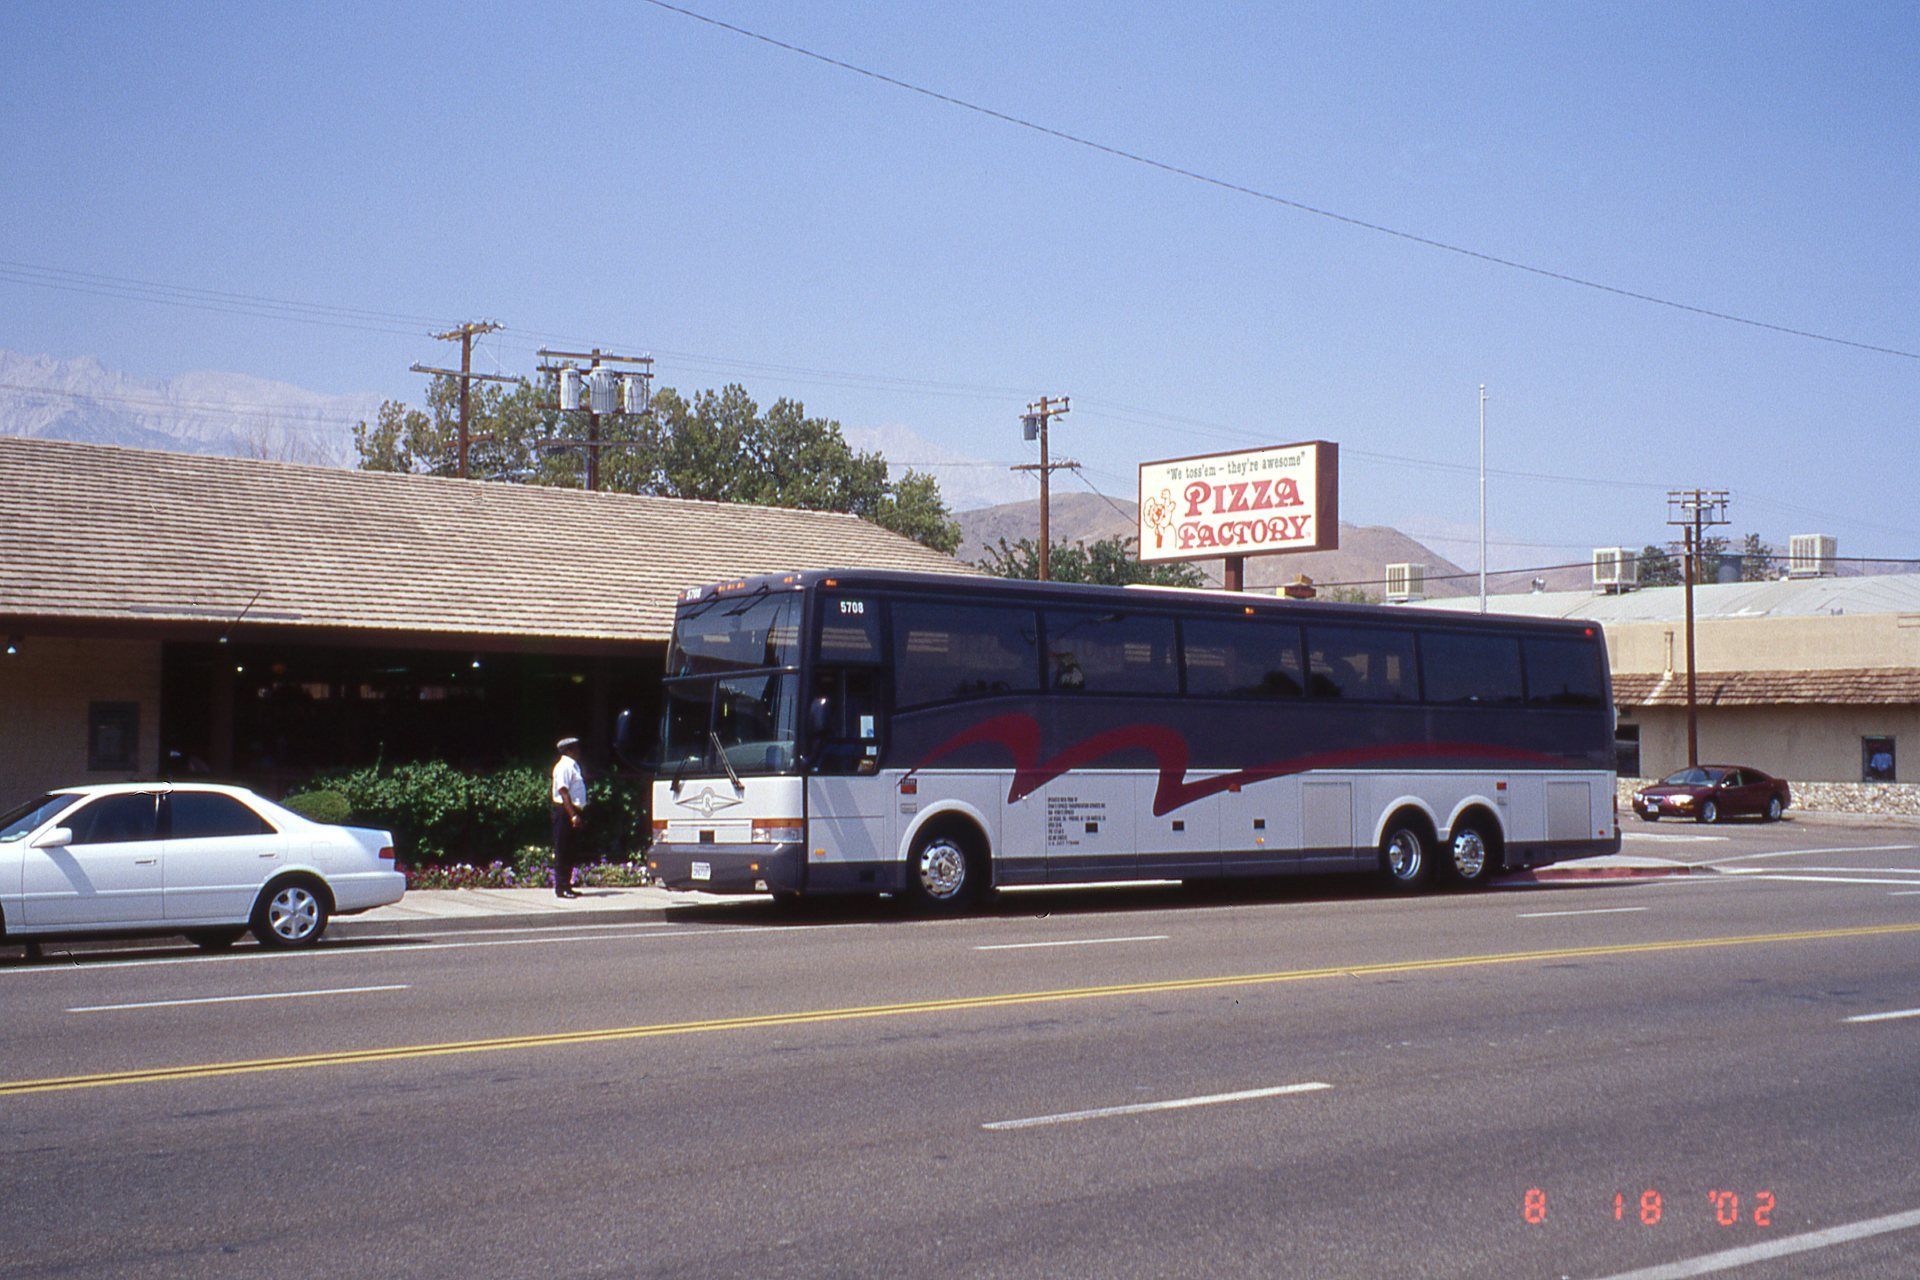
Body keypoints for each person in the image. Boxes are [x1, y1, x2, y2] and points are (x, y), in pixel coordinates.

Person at [551, 736, 587, 898]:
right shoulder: (564, 766)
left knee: (570, 850)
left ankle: (567, 885)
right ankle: (561, 887)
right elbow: (563, 792)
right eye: (575, 748)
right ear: (568, 750)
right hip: (565, 811)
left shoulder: (573, 766)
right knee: (563, 850)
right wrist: (573, 815)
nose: (578, 751)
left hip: (572, 810)